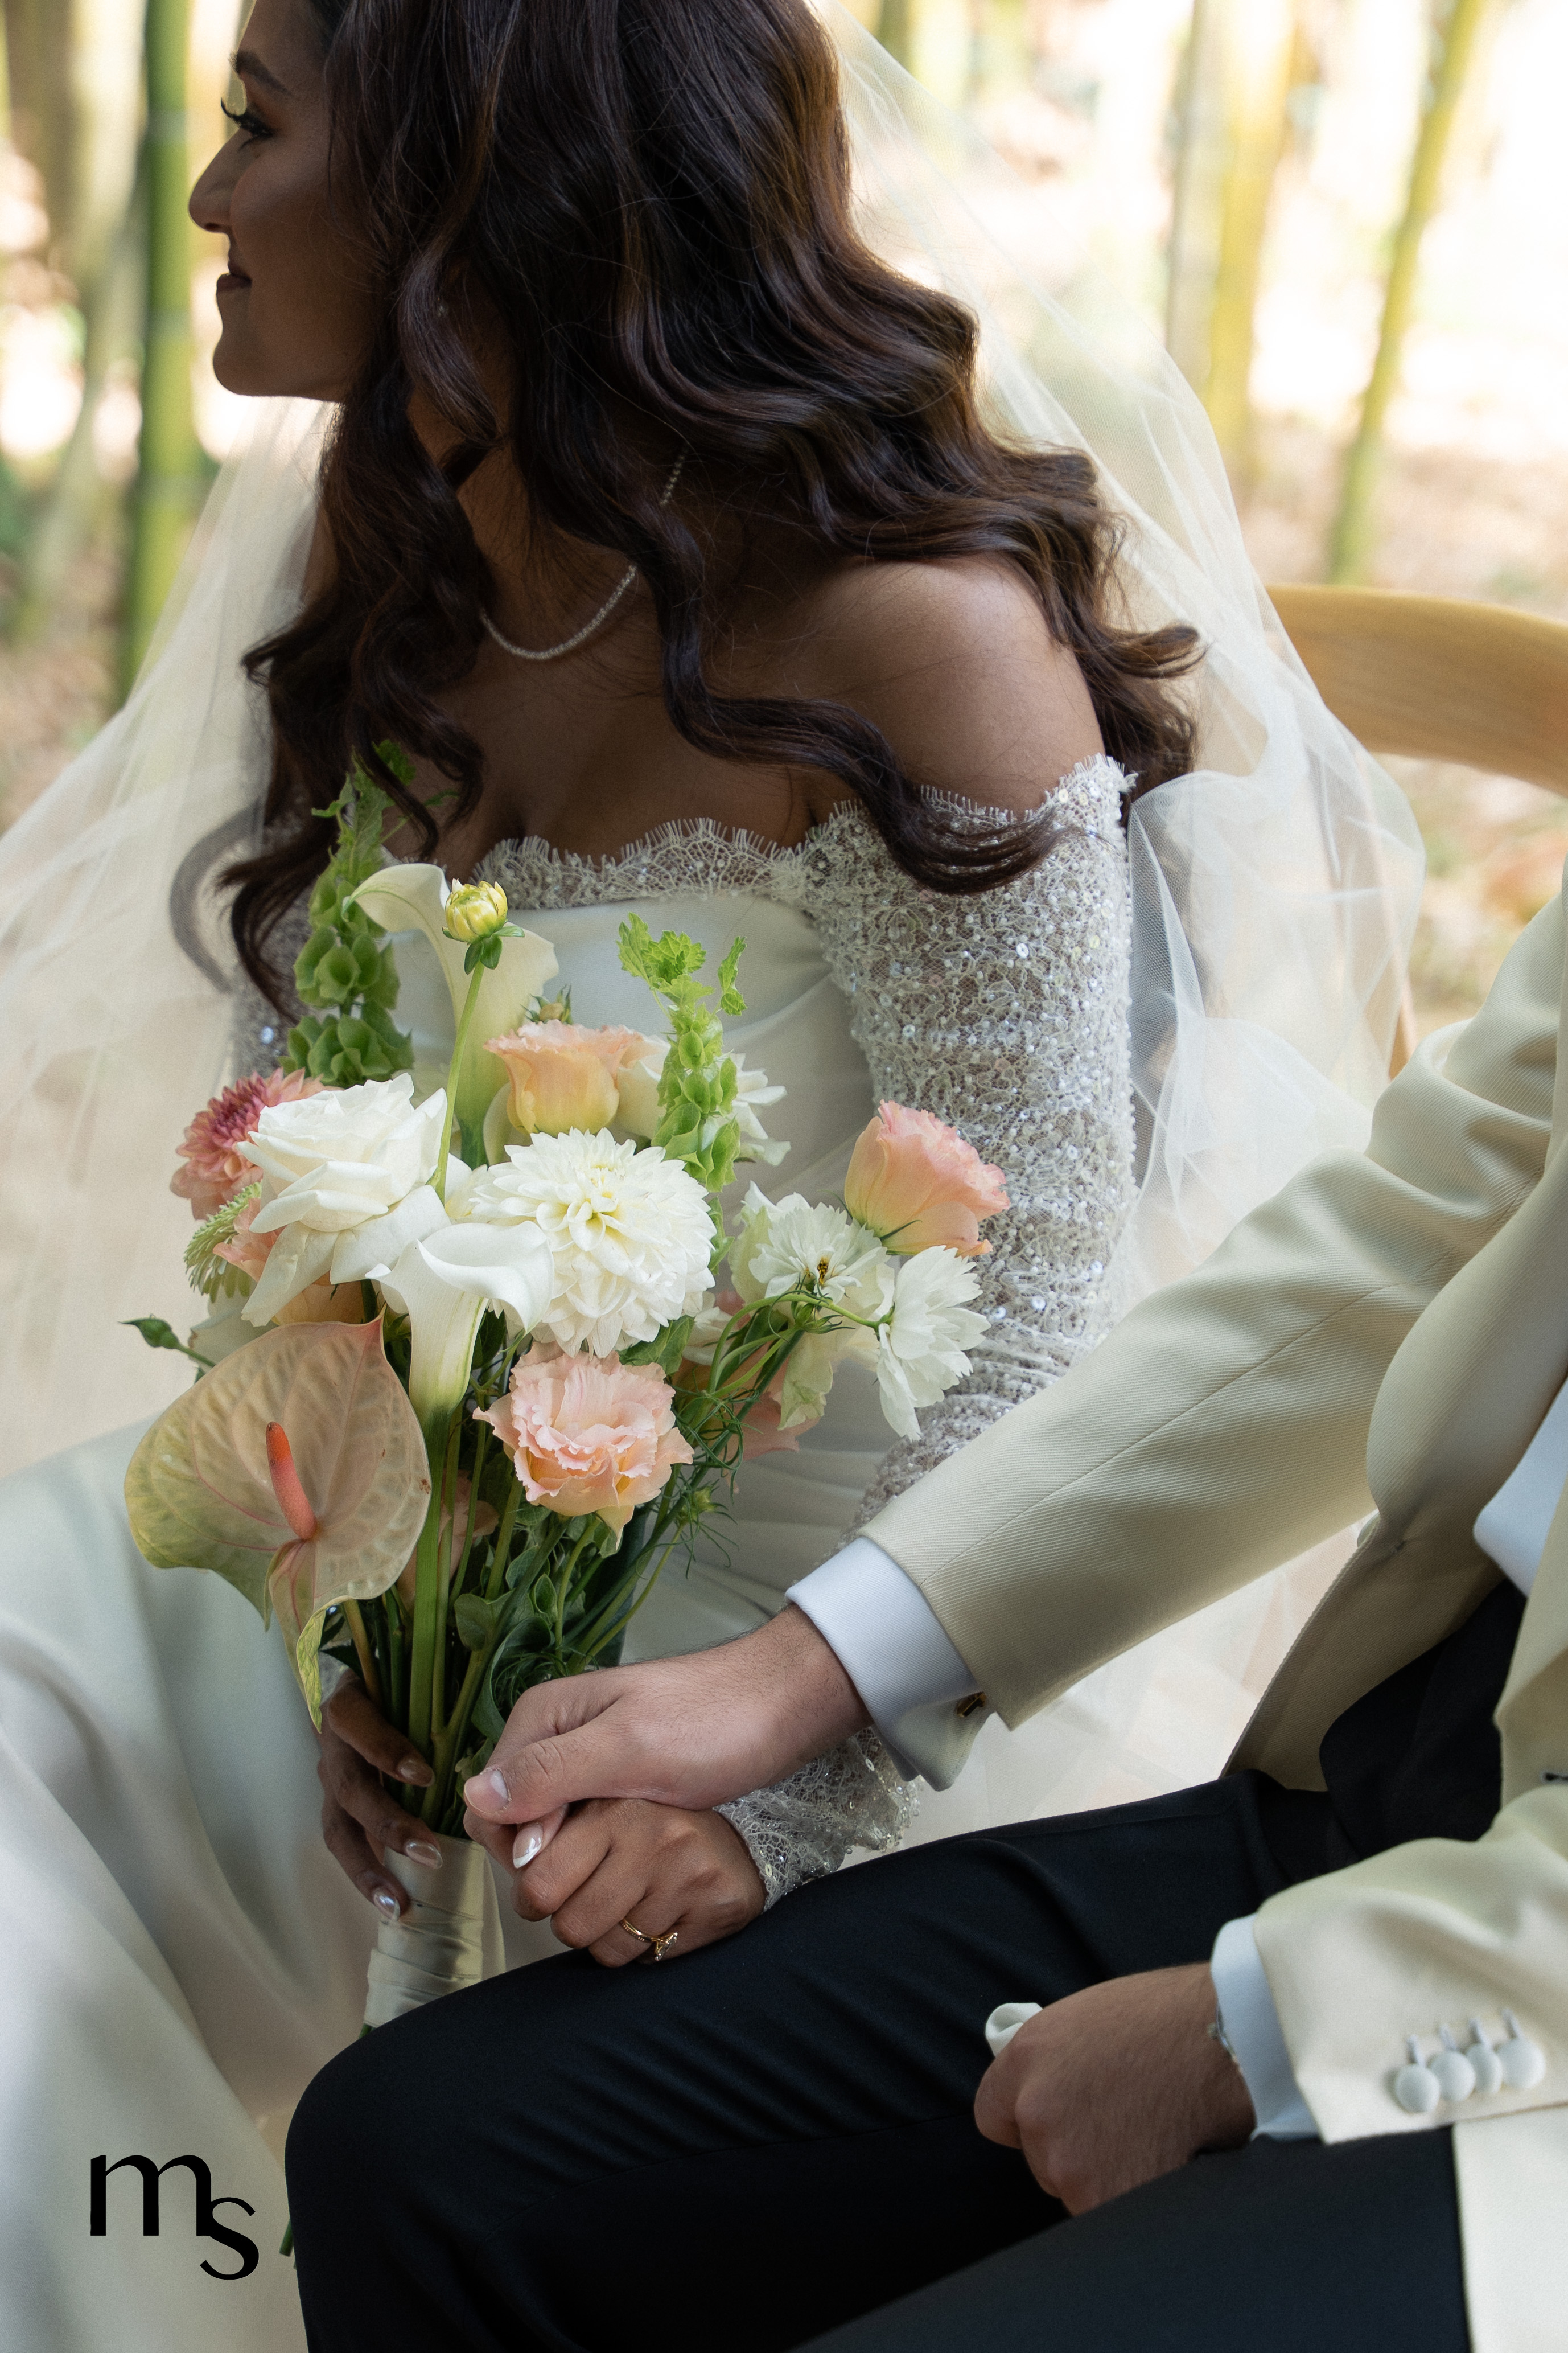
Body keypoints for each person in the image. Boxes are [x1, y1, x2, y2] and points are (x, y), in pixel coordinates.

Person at [0, 3, 1416, 2347]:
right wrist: (338, 1602)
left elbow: (1043, 1312)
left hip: (839, 1638)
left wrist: (782, 1789)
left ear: (478, 190)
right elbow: (311, 1213)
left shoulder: (905, 647)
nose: (208, 194)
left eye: (258, 124)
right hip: (406, 1606)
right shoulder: (395, 593)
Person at [287, 785, 1568, 2353]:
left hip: (1525, 2012)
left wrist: (1266, 2027)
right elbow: (1412, 1242)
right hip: (1417, 1769)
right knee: (423, 2156)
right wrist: (798, 1679)